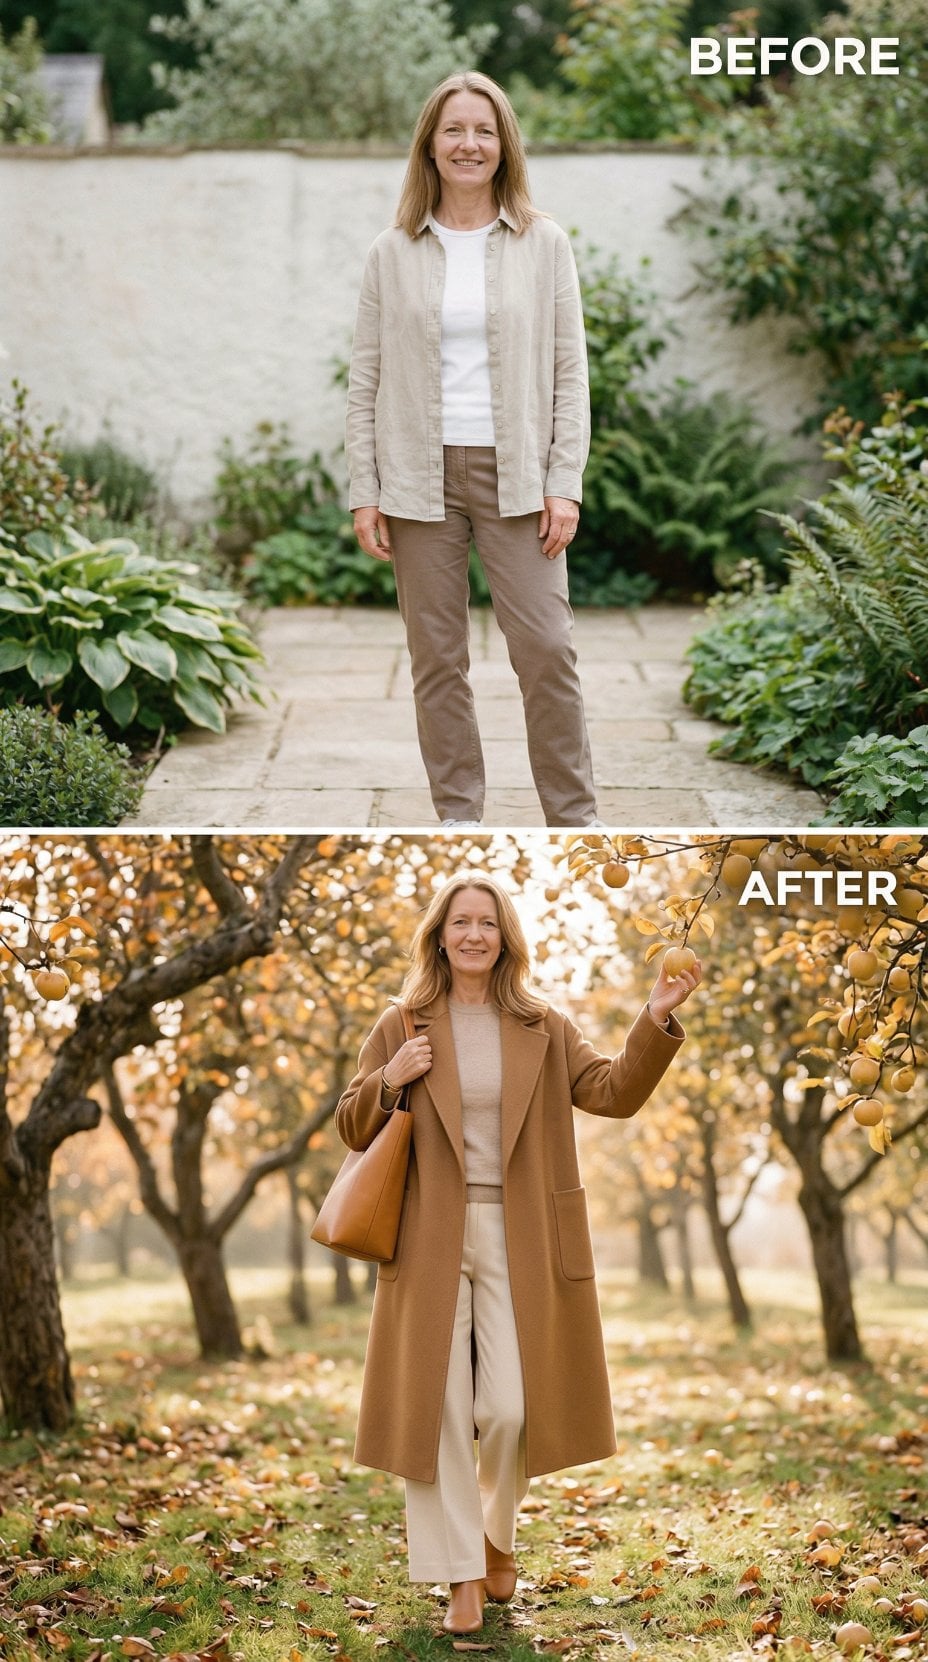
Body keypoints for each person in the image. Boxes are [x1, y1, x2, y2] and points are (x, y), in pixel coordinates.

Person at [334, 872, 701, 1635]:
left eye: (488, 924)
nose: (474, 935)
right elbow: (349, 1124)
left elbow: (611, 1093)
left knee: (509, 1408)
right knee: (435, 1408)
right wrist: (389, 1080)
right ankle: (462, 1575)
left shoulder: (543, 1022)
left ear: (506, 939)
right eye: (461, 922)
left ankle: (498, 1537)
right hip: (426, 1234)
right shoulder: (402, 1022)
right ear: (440, 934)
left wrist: (653, 1019)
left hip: (523, 1233)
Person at [345, 71, 602, 830]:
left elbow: (570, 372)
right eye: (454, 129)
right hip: (418, 480)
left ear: (504, 145)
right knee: (437, 663)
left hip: (518, 475)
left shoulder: (543, 243)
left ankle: (576, 820)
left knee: (548, 651)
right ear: (431, 143)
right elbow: (366, 379)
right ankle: (459, 816)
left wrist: (566, 481)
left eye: (483, 131)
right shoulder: (389, 253)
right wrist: (367, 488)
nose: (469, 144)